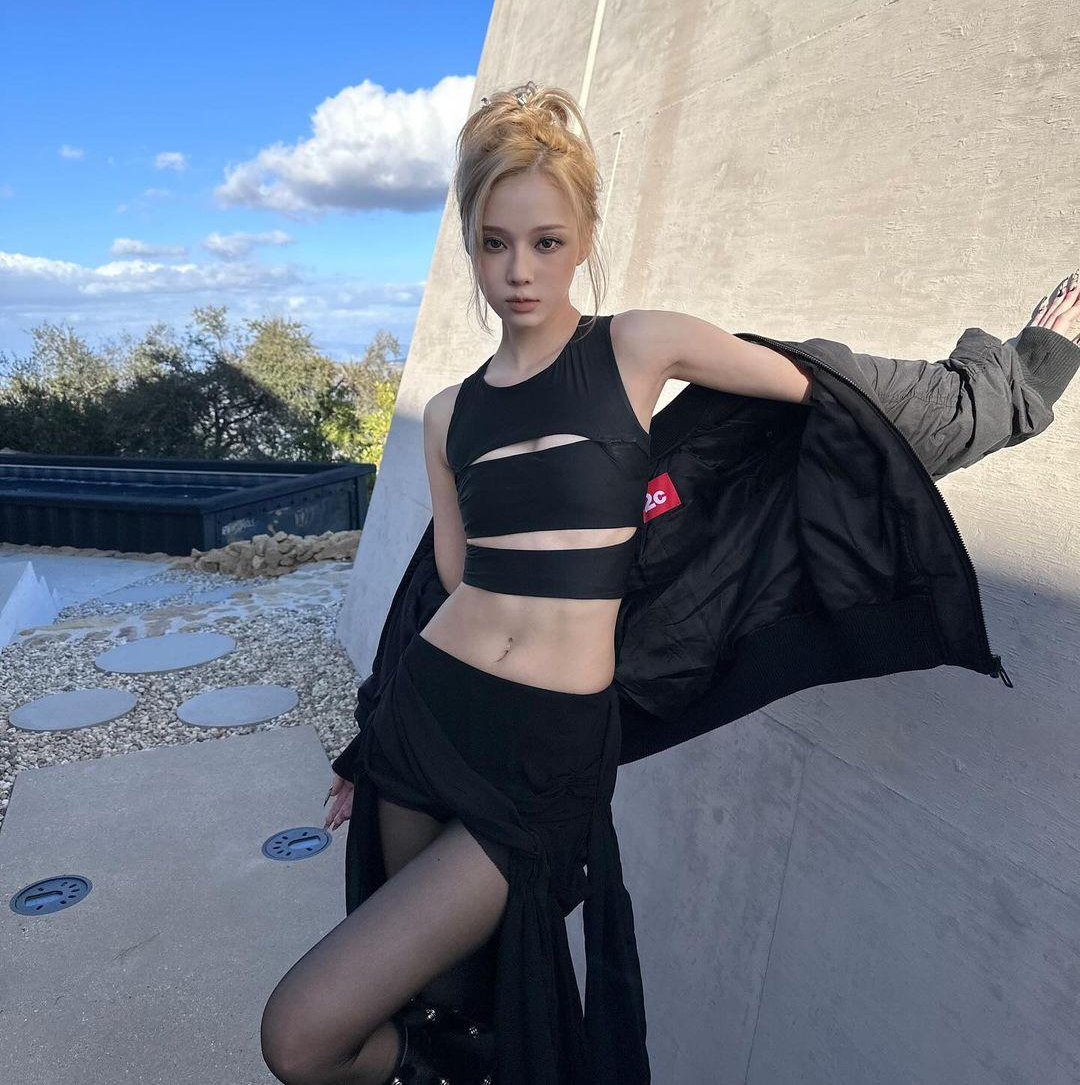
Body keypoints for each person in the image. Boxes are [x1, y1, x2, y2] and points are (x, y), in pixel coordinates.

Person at [260, 82, 1080, 1085]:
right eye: (494, 243)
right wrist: (370, 726)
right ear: (470, 244)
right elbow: (442, 587)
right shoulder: (450, 415)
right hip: (428, 722)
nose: (519, 270)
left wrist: (1018, 376)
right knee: (439, 1013)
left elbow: (844, 402)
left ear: (584, 239)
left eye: (546, 242)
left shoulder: (638, 346)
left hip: (545, 754)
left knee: (302, 1035)